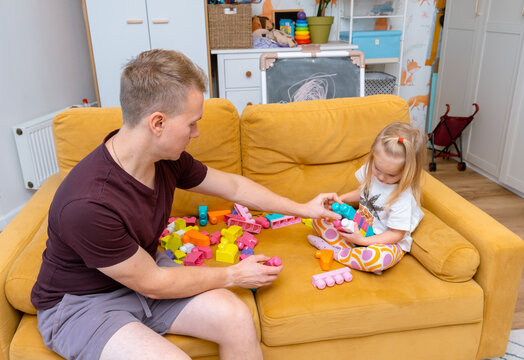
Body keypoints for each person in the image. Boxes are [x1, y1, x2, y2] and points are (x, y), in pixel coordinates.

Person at [30, 49, 340, 360]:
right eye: (191, 124)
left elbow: (233, 186)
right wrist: (234, 275)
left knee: (236, 317)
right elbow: (152, 283)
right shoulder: (88, 203)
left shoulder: (165, 159)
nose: (197, 133)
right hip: (85, 304)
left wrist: (305, 208)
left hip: (145, 273)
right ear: (157, 123)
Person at [308, 122, 427, 274]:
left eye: (391, 175)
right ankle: (353, 253)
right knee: (319, 217)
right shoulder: (371, 171)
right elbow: (364, 192)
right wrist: (340, 199)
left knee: (375, 259)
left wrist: (363, 242)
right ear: (372, 158)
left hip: (386, 242)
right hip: (361, 226)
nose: (381, 177)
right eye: (377, 168)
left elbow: (396, 234)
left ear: (409, 172)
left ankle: (338, 253)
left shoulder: (402, 198)